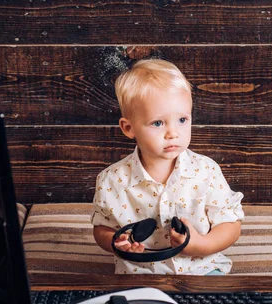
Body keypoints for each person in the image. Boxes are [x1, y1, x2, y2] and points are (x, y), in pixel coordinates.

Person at [91, 59, 244, 275]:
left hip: (203, 270)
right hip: (139, 275)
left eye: (182, 120)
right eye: (157, 123)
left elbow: (230, 224)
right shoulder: (111, 180)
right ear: (128, 128)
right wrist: (115, 243)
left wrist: (202, 245)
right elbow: (102, 228)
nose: (173, 133)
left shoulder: (206, 171)